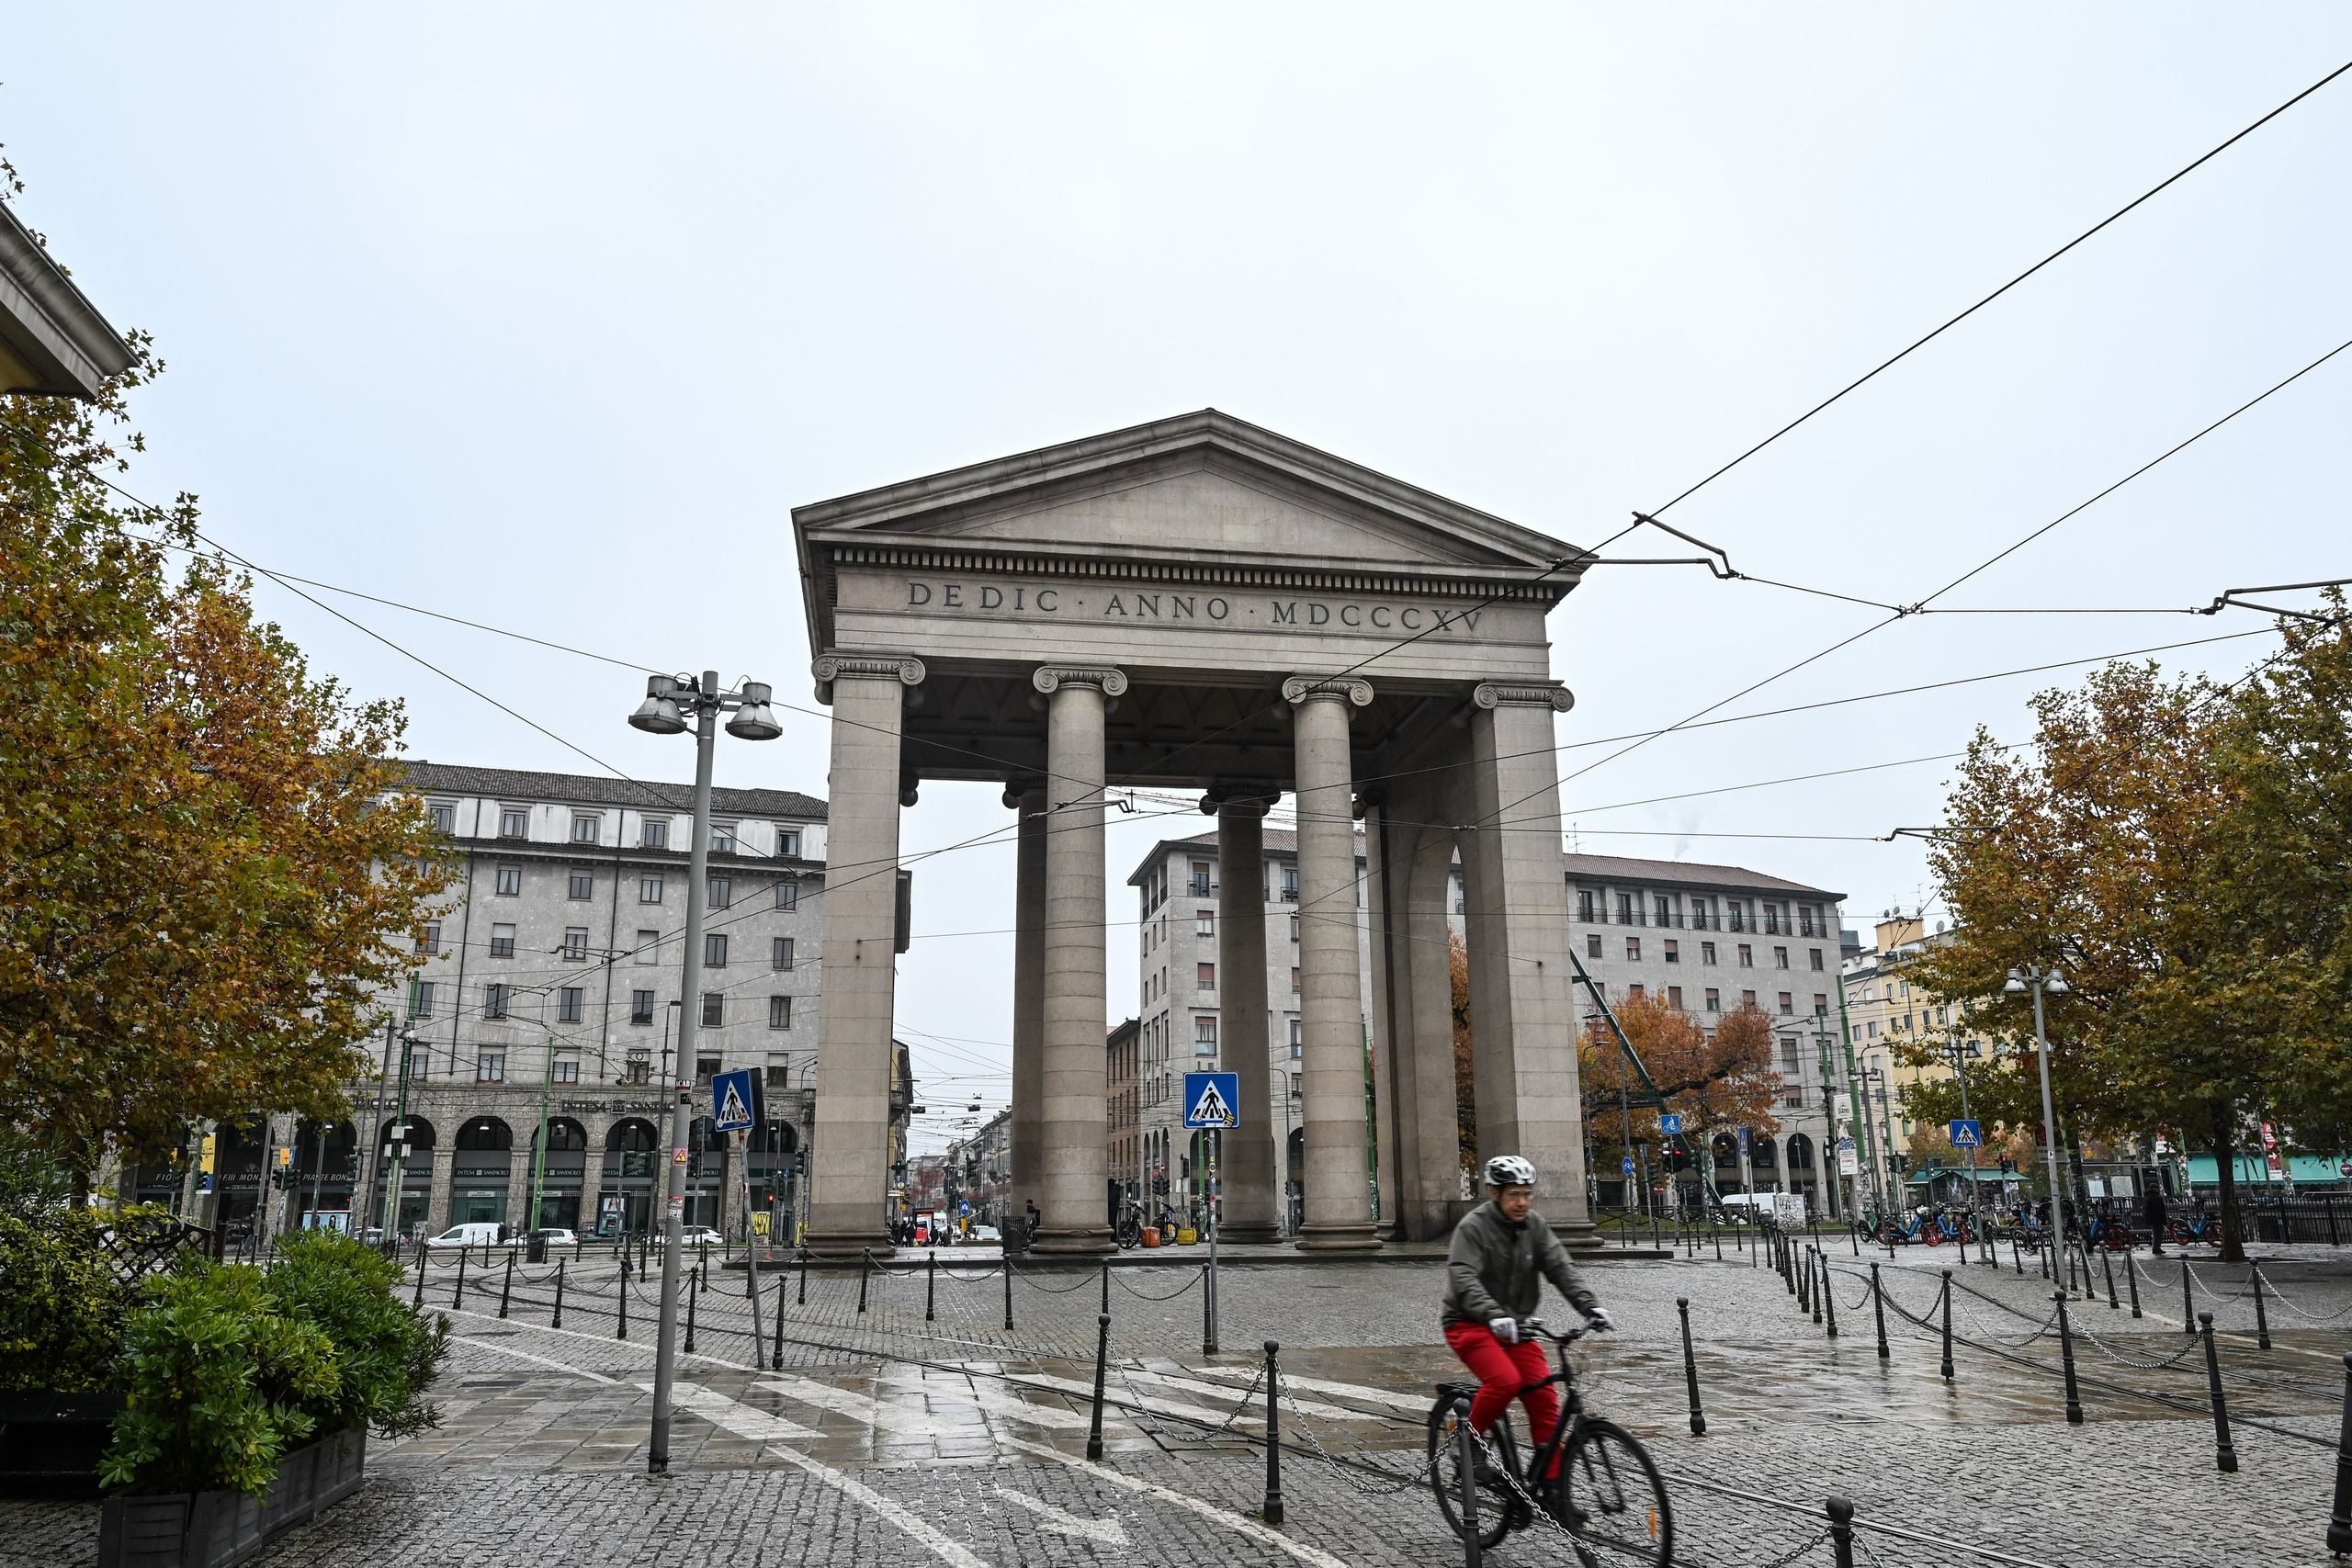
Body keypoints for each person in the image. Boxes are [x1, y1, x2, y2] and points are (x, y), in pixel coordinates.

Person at [1443, 1155, 1613, 1496]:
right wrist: (1493, 1314)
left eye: (1526, 1194)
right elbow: (1463, 1277)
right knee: (1505, 1381)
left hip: (1516, 1326)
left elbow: (1560, 1267)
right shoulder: (1473, 1228)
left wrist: (1591, 1306)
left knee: (1544, 1396)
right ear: (1495, 1194)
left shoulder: (1534, 1225)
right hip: (1469, 1322)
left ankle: (1551, 1488)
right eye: (1514, 1195)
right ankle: (1467, 1440)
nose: (1522, 1202)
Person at [2144, 1185, 2168, 1257]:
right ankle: (2156, 1247)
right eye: (2158, 1188)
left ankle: (2156, 1247)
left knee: (2156, 1232)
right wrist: (2161, 1216)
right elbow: (2157, 1208)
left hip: (2152, 1217)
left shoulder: (2148, 1196)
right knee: (2157, 1233)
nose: (2159, 1190)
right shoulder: (2154, 1197)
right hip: (2156, 1218)